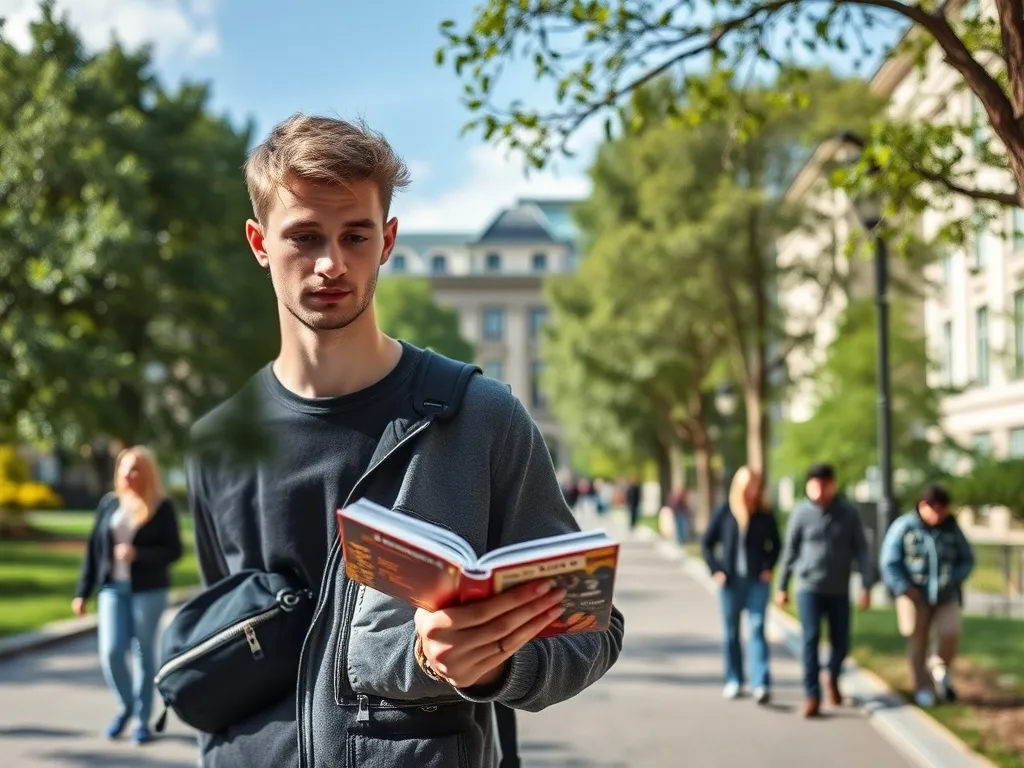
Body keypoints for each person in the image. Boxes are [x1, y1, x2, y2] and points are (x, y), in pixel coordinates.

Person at [184, 114, 625, 768]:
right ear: (258, 242)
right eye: (304, 236)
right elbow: (228, 640)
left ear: (387, 241)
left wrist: (492, 665)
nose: (331, 263)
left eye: (355, 235)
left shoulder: (482, 417)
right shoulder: (218, 442)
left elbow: (592, 628)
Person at [72, 445, 182, 744]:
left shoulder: (161, 506)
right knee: (111, 652)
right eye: (124, 467)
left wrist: (138, 554)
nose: (128, 474)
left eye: (135, 469)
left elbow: (174, 551)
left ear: (147, 473)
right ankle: (127, 706)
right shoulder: (109, 504)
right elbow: (93, 552)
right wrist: (82, 592)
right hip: (112, 589)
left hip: (149, 590)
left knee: (144, 653)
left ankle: (141, 721)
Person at [776, 462, 876, 718]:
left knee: (841, 642)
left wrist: (866, 584)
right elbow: (790, 550)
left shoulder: (849, 513)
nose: (820, 490)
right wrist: (782, 585)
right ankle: (813, 695)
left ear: (834, 485)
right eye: (815, 485)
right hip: (808, 586)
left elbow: (862, 550)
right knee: (810, 639)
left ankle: (832, 675)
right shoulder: (801, 513)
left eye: (824, 485)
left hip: (839, 588)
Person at [880, 483, 974, 708]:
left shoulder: (952, 528)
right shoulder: (904, 527)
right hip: (915, 595)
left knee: (950, 633)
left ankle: (939, 666)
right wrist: (904, 586)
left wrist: (955, 577)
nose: (939, 514)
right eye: (935, 509)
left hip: (946, 595)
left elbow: (967, 558)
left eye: (943, 509)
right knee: (917, 639)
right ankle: (922, 687)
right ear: (923, 506)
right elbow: (889, 562)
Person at [701, 466, 781, 704]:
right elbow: (707, 543)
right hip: (730, 582)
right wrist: (716, 570)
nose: (752, 491)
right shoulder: (725, 511)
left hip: (757, 581)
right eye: (747, 486)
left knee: (757, 629)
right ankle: (734, 679)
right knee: (731, 632)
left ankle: (761, 683)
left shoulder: (764, 513)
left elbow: (775, 545)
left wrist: (768, 567)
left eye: (755, 485)